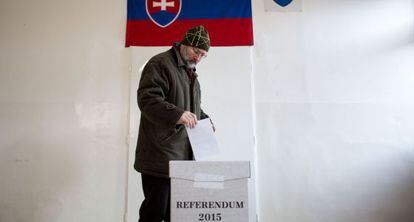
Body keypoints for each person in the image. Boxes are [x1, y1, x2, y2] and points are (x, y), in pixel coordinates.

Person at [135, 25, 212, 222]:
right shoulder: (160, 64)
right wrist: (178, 114)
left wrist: (204, 120)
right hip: (160, 156)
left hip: (182, 158)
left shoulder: (191, 74)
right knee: (155, 213)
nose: (198, 58)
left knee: (176, 215)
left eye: (203, 55)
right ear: (185, 43)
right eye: (197, 51)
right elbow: (147, 100)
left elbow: (191, 109)